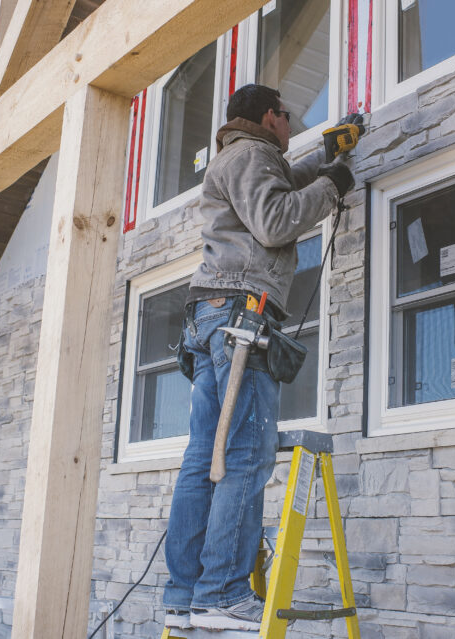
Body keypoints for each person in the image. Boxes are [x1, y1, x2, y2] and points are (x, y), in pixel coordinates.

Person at [162, 84, 358, 632]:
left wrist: (326, 158)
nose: (292, 126)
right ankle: (222, 593)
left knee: (205, 458)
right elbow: (276, 220)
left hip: (213, 317)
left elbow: (281, 187)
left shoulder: (241, 157)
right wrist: (335, 184)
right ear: (269, 116)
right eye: (288, 117)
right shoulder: (251, 156)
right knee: (246, 455)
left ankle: (183, 595)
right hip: (239, 316)